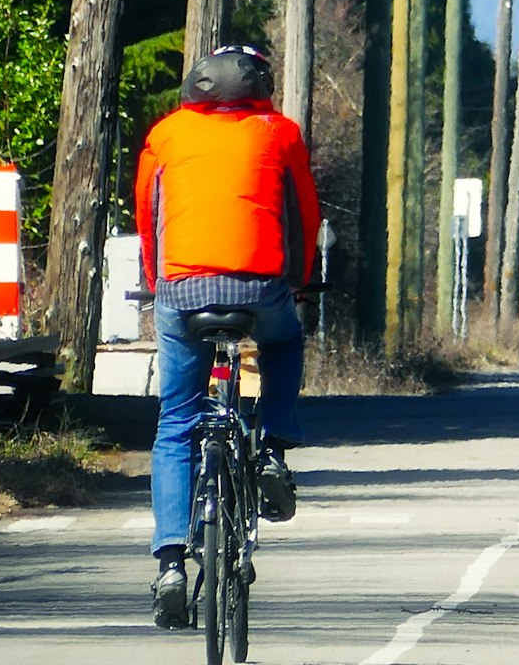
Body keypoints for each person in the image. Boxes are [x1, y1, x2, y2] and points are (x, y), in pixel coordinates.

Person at [135, 44, 321, 631]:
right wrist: (301, 278)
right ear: (259, 85)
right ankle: (271, 449)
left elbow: (148, 216)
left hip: (181, 290)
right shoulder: (280, 132)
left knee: (176, 423)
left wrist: (155, 279)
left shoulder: (164, 136)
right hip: (260, 286)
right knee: (284, 345)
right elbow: (306, 214)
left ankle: (169, 562)